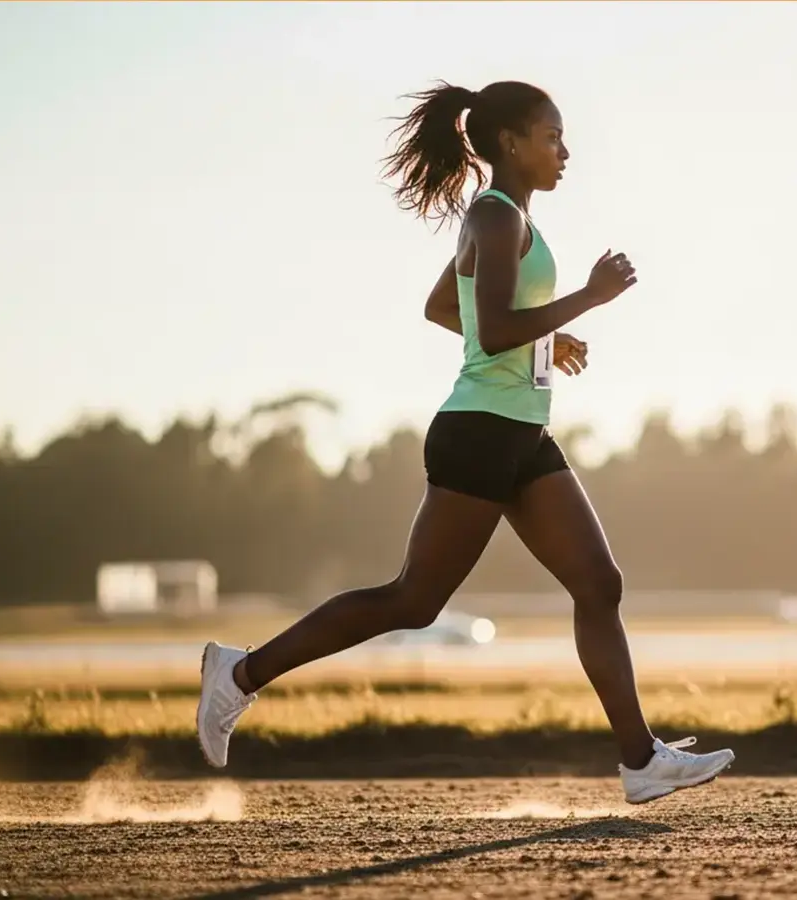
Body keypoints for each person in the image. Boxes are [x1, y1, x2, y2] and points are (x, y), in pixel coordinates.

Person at [196, 79, 735, 804]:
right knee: (413, 601)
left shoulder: (511, 220)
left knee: (599, 584)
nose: (565, 151)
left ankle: (640, 760)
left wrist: (550, 336)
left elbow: (448, 309)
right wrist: (587, 298)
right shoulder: (493, 217)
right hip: (479, 434)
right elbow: (502, 325)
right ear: (511, 143)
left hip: (521, 433)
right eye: (552, 138)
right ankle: (238, 675)